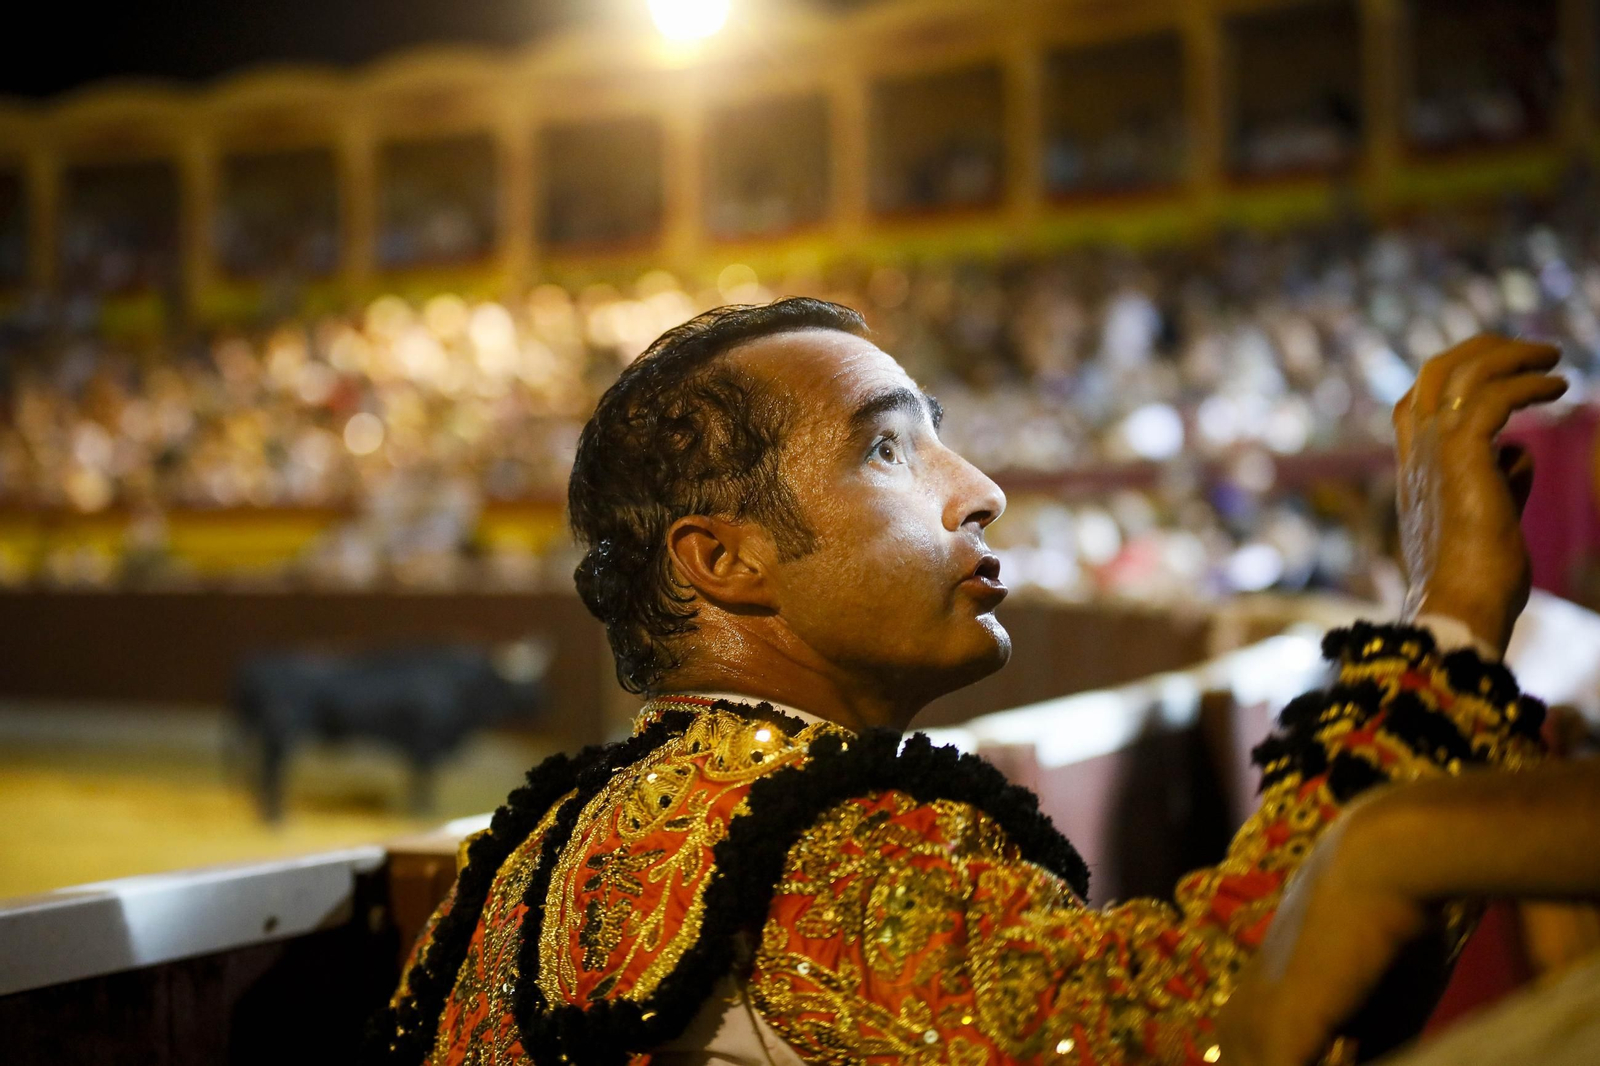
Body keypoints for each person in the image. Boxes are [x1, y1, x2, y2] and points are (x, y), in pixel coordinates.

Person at [364, 300, 1577, 1066]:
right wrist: (1454, 613)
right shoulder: (823, 850)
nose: (981, 485)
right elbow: (1224, 1020)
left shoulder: (549, 850)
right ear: (724, 561)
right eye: (888, 446)